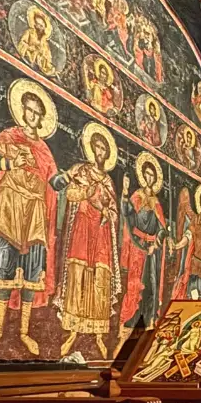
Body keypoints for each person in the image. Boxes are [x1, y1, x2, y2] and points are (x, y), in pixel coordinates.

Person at [0, 80, 59, 358]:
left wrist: (64, 180)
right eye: (29, 110)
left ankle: (24, 332)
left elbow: (53, 179)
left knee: (31, 272)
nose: (32, 115)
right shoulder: (8, 136)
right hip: (8, 206)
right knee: (3, 268)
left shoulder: (44, 149)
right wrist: (10, 163)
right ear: (22, 111)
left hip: (33, 210)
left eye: (36, 112)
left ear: (41, 117)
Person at [53, 124, 120, 358]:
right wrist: (88, 192)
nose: (100, 152)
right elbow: (70, 194)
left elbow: (114, 212)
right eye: (97, 148)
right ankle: (71, 331)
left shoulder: (110, 181)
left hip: (100, 234)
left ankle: (99, 334)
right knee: (77, 276)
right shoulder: (81, 171)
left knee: (100, 279)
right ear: (91, 149)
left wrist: (106, 212)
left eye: (103, 149)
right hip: (82, 227)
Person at [116, 153, 167, 350]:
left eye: (151, 176)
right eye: (146, 174)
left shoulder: (156, 203)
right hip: (138, 248)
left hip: (152, 251)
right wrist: (126, 192)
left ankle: (148, 333)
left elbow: (162, 228)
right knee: (135, 286)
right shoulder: (137, 197)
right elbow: (128, 215)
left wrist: (157, 242)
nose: (149, 178)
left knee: (151, 288)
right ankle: (125, 334)